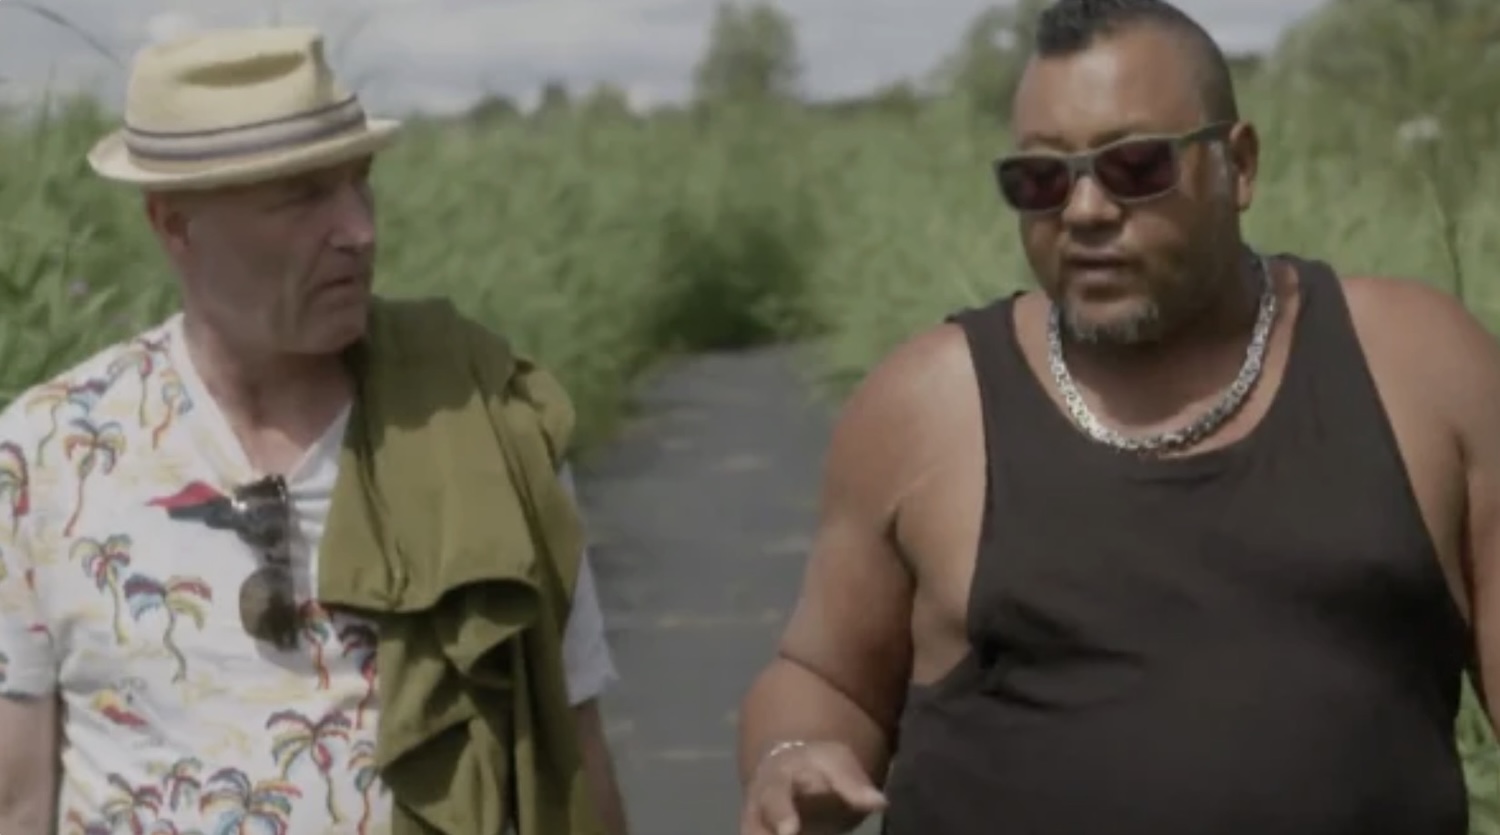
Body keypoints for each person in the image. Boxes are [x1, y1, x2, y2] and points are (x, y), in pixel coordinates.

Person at [736, 0, 1500, 833]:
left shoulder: (1417, 368)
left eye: (1136, 166)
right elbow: (825, 676)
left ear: (1239, 165)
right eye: (1040, 180)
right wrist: (792, 756)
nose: (1085, 210)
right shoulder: (928, 405)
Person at [0, 26, 629, 835]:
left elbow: (573, 748)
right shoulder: (49, 454)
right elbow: (16, 799)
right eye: (302, 197)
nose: (358, 230)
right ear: (175, 224)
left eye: (359, 183)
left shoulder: (481, 422)